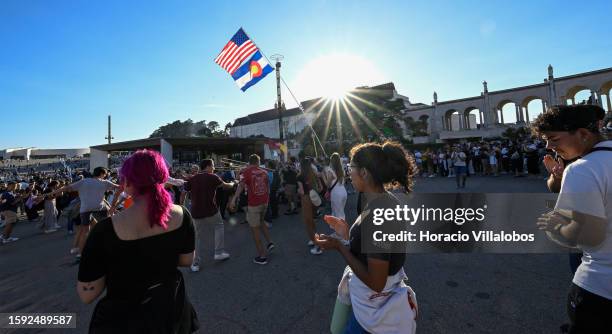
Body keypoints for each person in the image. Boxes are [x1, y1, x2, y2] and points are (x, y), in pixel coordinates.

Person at [77, 150, 198, 333]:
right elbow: (186, 260)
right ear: (163, 178)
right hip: (170, 312)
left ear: (127, 183)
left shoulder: (105, 230)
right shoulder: (182, 215)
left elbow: (88, 294)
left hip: (124, 321)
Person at [315, 141, 418, 333]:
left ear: (364, 172)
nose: (348, 173)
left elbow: (377, 282)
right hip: (372, 302)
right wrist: (347, 234)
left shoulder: (378, 214)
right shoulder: (382, 199)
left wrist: (339, 246)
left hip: (375, 309)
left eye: (350, 168)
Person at [533, 105, 612, 333]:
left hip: (600, 287)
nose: (549, 146)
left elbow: (589, 236)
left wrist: (556, 226)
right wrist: (557, 177)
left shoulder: (582, 168)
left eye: (554, 139)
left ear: (583, 134)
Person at [49, 167, 121, 258]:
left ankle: (80, 253)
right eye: (105, 174)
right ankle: (108, 249)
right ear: (102, 174)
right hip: (100, 208)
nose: (105, 176)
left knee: (85, 231)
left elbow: (66, 188)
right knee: (106, 228)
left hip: (85, 209)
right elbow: (120, 187)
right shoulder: (104, 182)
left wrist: (48, 194)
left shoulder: (84, 181)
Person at [182, 159, 234, 272]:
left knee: (197, 237)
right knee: (219, 226)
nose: (214, 168)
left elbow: (183, 192)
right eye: (213, 166)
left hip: (196, 211)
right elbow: (226, 186)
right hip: (211, 210)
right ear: (208, 166)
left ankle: (195, 263)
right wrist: (234, 183)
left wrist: (182, 206)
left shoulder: (193, 178)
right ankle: (219, 252)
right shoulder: (213, 177)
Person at [229, 154, 275, 265]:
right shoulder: (264, 172)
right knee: (261, 222)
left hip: (254, 204)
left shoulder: (246, 172)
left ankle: (262, 256)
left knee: (255, 230)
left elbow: (240, 186)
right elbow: (268, 187)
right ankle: (270, 242)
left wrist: (234, 199)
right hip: (264, 202)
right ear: (258, 162)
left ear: (250, 162)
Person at [297, 157, 323, 255]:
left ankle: (318, 245)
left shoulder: (300, 176)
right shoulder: (313, 173)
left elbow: (302, 191)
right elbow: (320, 187)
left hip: (306, 199)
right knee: (312, 221)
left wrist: (298, 191)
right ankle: (314, 240)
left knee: (308, 222)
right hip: (314, 197)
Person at [327, 152, 347, 221]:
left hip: (336, 193)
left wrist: (327, 188)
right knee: (341, 212)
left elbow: (328, 183)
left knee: (337, 214)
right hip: (343, 191)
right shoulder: (342, 170)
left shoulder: (330, 170)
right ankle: (342, 229)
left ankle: (340, 230)